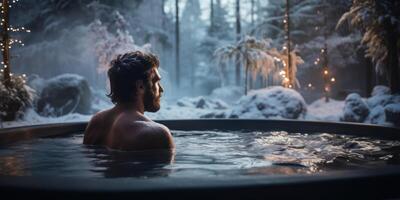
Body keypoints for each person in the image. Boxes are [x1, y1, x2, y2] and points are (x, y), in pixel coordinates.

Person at [83, 51, 175, 151]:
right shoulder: (156, 134)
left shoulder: (96, 123)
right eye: (156, 82)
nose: (161, 89)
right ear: (140, 86)